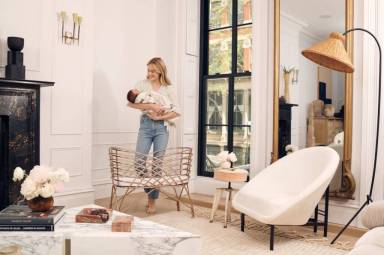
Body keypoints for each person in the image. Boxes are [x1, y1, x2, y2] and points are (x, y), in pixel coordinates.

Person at [128, 57, 180, 214]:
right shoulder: (142, 84)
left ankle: (151, 201)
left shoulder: (168, 88)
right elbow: (130, 102)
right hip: (145, 126)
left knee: (157, 165)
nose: (149, 73)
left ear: (160, 72)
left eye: (153, 71)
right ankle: (151, 187)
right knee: (139, 162)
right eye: (148, 70)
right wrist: (151, 105)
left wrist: (159, 117)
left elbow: (177, 111)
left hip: (161, 128)